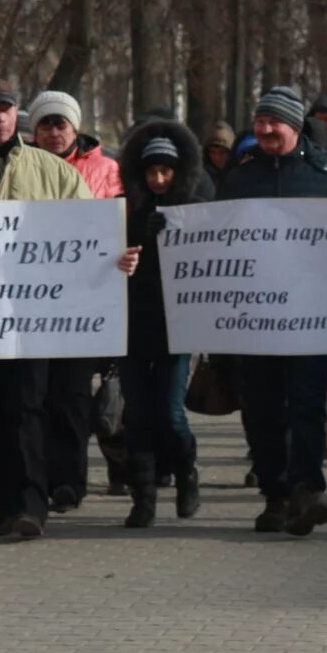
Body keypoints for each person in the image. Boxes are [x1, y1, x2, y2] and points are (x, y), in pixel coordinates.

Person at [0, 80, 137, 538]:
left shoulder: (52, 170)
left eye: (7, 110)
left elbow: (88, 234)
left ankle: (31, 505)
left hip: (36, 317)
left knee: (28, 405)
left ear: (16, 114)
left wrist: (116, 259)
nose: (0, 119)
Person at [216, 85, 327, 536]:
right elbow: (215, 234)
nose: (264, 130)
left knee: (307, 405)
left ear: (294, 126)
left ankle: (306, 489)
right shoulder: (240, 176)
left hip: (309, 314)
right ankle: (275, 494)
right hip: (253, 315)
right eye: (259, 122)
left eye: (273, 122)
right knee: (260, 409)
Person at [26, 89, 121, 508]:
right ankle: (37, 478)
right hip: (29, 299)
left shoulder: (106, 169)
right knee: (36, 395)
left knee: (72, 395)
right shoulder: (20, 166)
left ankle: (70, 482)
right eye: (44, 124)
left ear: (75, 127)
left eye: (59, 123)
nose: (51, 132)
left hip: (84, 301)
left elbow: (120, 225)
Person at [117, 120, 207, 526]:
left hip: (177, 327)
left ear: (177, 172)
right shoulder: (125, 211)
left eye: (165, 171)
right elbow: (107, 264)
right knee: (136, 414)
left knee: (171, 413)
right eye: (151, 171)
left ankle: (186, 472)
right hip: (134, 326)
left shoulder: (195, 212)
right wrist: (132, 248)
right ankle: (144, 498)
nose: (158, 179)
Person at [30, 89, 122, 198]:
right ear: (35, 134)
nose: (54, 134)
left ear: (75, 131)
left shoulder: (106, 169)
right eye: (46, 126)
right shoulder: (18, 168)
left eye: (61, 126)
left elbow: (119, 211)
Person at [202, 121, 237, 188]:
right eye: (212, 152)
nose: (217, 158)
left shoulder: (241, 175)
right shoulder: (203, 178)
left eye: (222, 152)